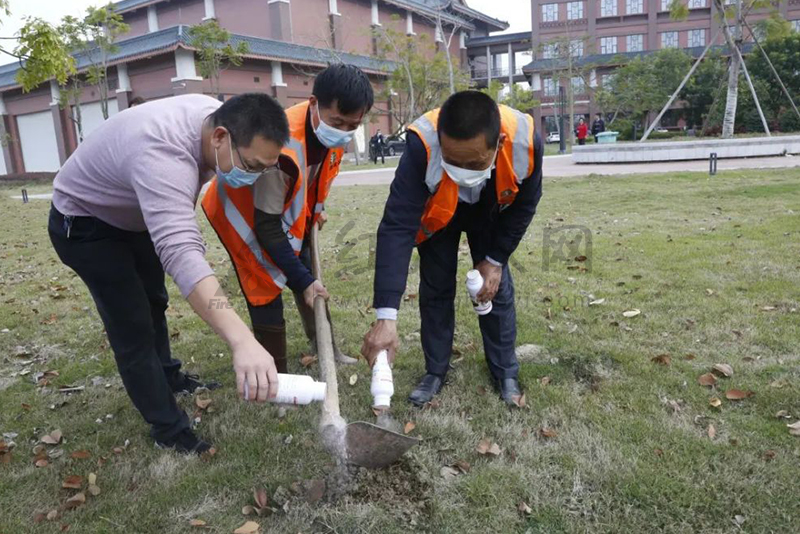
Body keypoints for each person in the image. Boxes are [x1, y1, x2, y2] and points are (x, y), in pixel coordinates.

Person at [49, 93, 288, 454]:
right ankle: (168, 428)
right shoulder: (164, 156)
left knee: (154, 300)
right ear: (220, 137)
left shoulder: (213, 117)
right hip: (84, 224)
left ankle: (169, 374)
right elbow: (181, 253)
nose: (256, 176)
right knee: (132, 323)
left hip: (133, 214)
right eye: (253, 165)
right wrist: (242, 339)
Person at [360, 91, 543, 406]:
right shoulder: (422, 144)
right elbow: (397, 226)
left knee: (493, 289)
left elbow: (525, 205)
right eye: (452, 161)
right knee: (436, 287)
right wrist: (386, 315)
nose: (462, 170)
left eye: (473, 162)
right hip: (439, 212)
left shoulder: (526, 142)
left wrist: (496, 259)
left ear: (498, 143)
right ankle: (435, 371)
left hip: (490, 208)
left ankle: (505, 371)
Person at [203, 64, 374, 373]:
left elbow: (315, 180)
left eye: (353, 125)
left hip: (283, 216)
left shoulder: (332, 136)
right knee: (265, 285)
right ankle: (274, 374)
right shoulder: (281, 149)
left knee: (309, 279)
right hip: (243, 220)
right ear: (314, 105)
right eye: (337, 122)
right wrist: (302, 280)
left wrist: (315, 213)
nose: (344, 131)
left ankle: (326, 348)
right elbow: (266, 228)